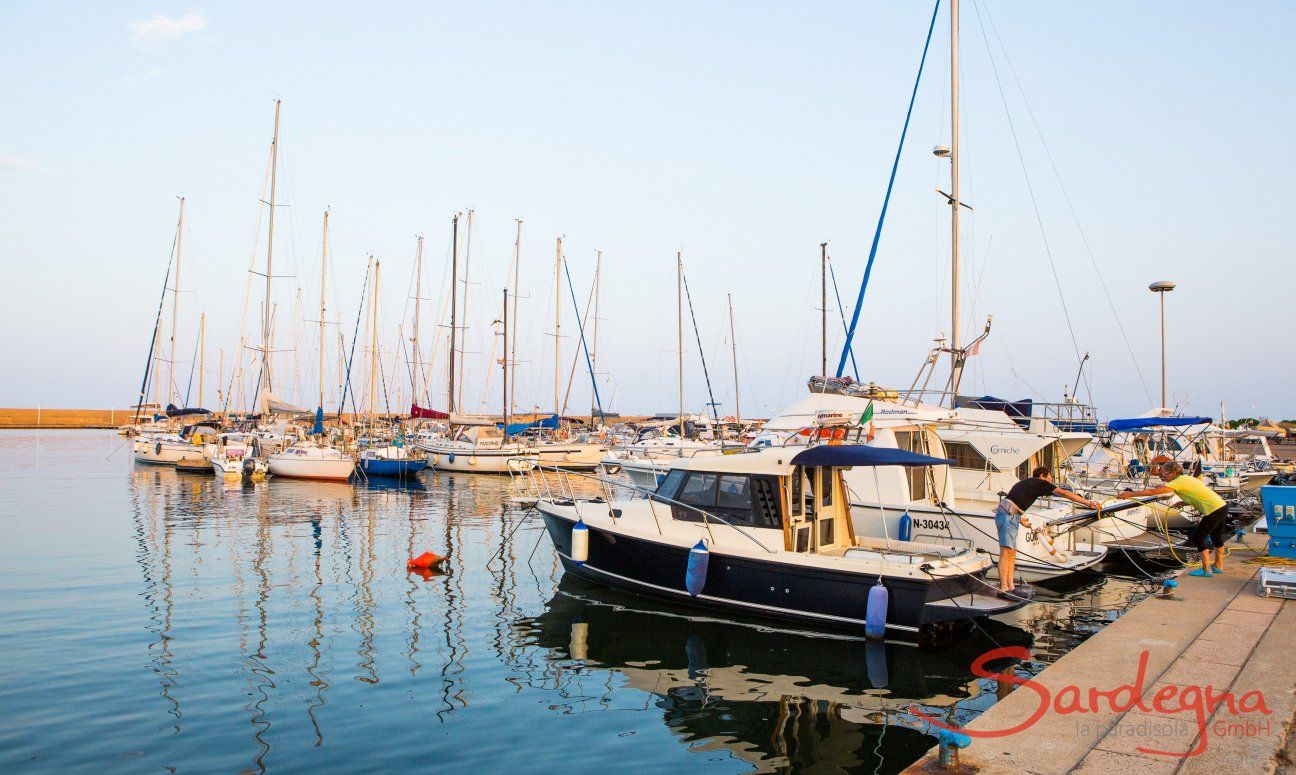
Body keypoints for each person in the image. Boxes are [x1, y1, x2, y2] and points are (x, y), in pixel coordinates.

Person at [995, 466, 1101, 599]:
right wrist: (1087, 502)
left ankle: (1011, 587)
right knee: (1006, 552)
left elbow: (1014, 499)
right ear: (1042, 476)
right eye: (1050, 478)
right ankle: (1004, 588)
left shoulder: (1027, 484)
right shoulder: (1039, 483)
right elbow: (1063, 493)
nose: (1051, 482)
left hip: (1011, 515)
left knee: (1011, 553)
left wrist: (1020, 519)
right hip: (1008, 516)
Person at [1121, 461, 1228, 577]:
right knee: (1216, 536)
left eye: (1165, 473)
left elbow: (1153, 492)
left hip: (1213, 510)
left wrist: (1129, 495)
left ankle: (1206, 570)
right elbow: (1197, 494)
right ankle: (1218, 566)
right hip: (1221, 506)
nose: (1163, 475)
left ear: (1173, 473)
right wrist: (1183, 503)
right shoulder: (1187, 479)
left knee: (1198, 537)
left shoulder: (1177, 482)